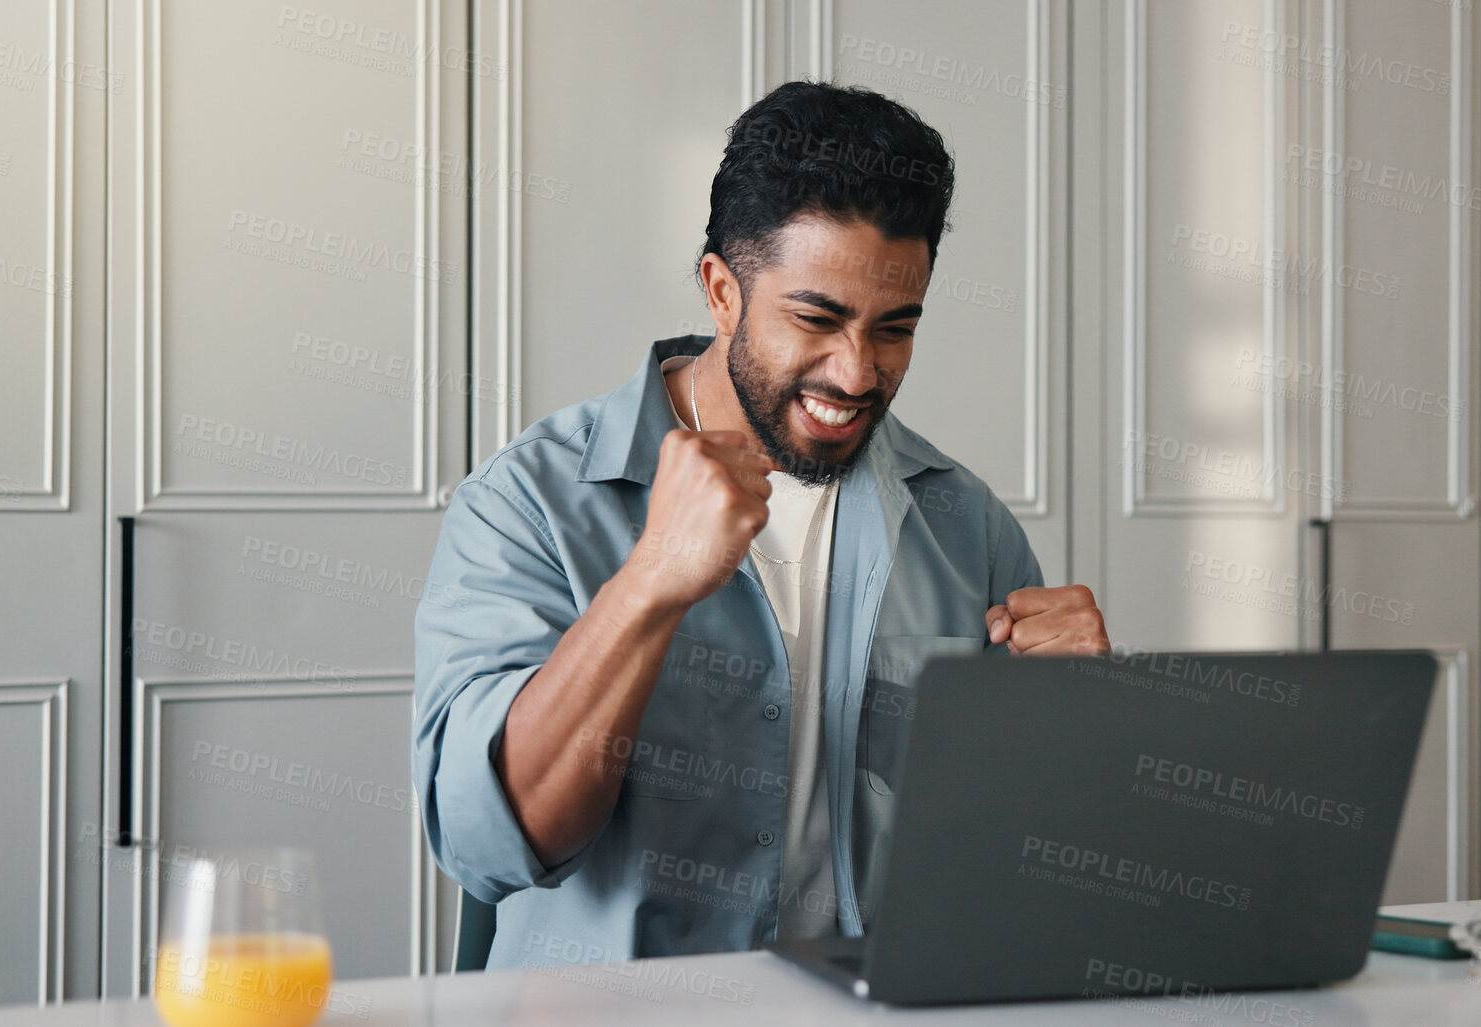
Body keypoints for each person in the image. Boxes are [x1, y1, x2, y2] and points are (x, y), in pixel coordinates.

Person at [413, 80, 1109, 970]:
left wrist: (1081, 723)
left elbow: (1016, 851)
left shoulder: (963, 521)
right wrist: (649, 585)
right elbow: (491, 845)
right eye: (816, 318)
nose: (857, 372)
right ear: (721, 291)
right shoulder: (528, 502)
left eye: (894, 329)